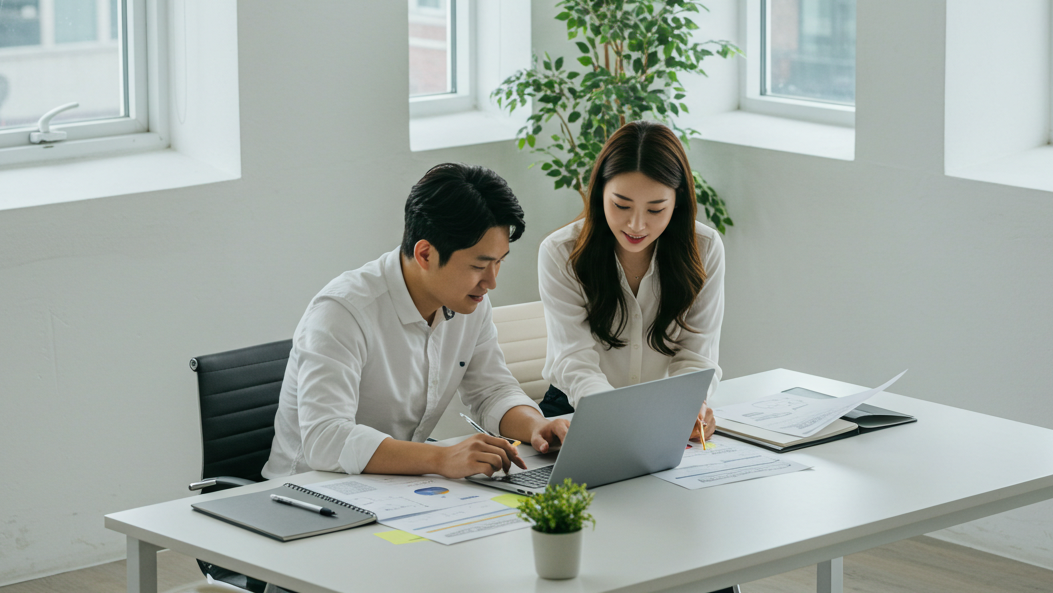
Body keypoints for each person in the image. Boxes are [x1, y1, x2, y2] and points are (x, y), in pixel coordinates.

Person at [263, 163, 571, 480]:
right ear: (425, 254)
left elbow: (491, 391)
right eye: (479, 266)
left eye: (499, 263)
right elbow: (325, 439)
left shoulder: (470, 303)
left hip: (398, 484)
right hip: (307, 491)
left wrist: (538, 425)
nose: (491, 282)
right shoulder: (342, 312)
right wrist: (441, 458)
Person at [538, 120, 725, 441]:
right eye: (621, 205)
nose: (636, 224)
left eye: (656, 209)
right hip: (574, 409)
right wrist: (619, 419)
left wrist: (690, 404)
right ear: (599, 193)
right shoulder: (561, 252)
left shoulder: (704, 248)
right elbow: (575, 362)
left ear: (677, 200)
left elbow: (697, 355)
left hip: (662, 410)